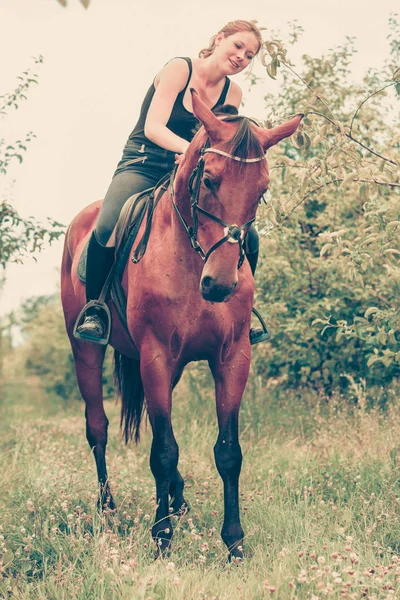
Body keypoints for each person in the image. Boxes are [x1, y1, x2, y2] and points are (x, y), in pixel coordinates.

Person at [75, 19, 270, 345]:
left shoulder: (232, 93)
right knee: (108, 223)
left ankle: (242, 309)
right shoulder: (180, 69)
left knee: (248, 235)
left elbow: (221, 142)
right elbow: (153, 127)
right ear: (220, 39)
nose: (241, 57)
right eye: (238, 46)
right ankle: (96, 309)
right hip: (144, 164)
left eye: (249, 55)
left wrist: (204, 163)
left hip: (190, 175)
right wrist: (191, 152)